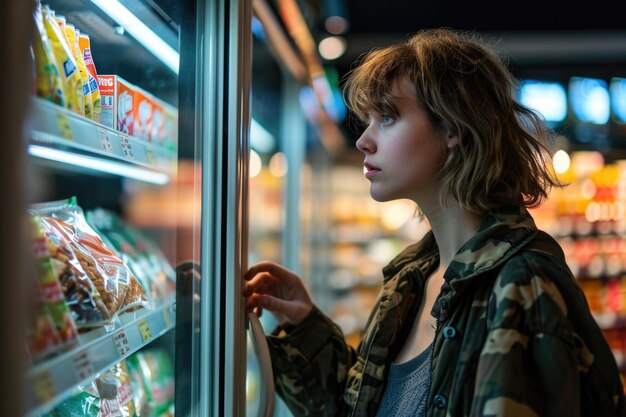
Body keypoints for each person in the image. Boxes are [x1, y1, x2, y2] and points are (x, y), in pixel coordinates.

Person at [243, 28, 626, 417]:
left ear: (454, 130)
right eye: (369, 119)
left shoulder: (522, 285)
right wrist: (305, 323)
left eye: (388, 117)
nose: (363, 140)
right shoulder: (411, 278)